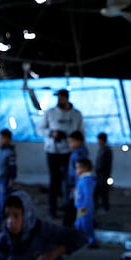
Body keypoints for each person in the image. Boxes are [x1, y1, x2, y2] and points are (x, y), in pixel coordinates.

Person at [37, 89, 84, 219]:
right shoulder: (50, 113)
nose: (60, 100)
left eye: (62, 98)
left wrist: (75, 142)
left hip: (68, 153)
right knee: (54, 181)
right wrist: (52, 134)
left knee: (68, 181)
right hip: (52, 151)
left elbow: (81, 132)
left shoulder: (76, 115)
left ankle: (67, 206)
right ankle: (52, 209)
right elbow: (40, 129)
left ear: (67, 98)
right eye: (58, 98)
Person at [0, 128, 17, 230]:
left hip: (5, 181)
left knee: (4, 203)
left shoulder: (10, 152)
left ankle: (5, 224)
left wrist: (11, 180)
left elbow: (12, 167)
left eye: (2, 138)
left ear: (7, 139)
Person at [64, 130, 89, 228]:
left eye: (71, 142)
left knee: (73, 205)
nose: (69, 144)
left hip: (77, 184)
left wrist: (76, 185)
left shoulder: (79, 154)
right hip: (77, 183)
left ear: (79, 141)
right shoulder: (78, 152)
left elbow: (79, 170)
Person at [74, 157, 97, 248]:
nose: (76, 170)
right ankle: (79, 239)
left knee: (85, 224)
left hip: (84, 207)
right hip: (81, 206)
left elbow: (88, 195)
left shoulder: (87, 180)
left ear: (84, 168)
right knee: (79, 223)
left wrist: (85, 206)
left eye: (77, 168)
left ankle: (91, 241)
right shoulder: (83, 179)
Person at [93, 132, 112, 213]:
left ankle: (105, 207)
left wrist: (97, 170)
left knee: (103, 192)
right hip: (100, 174)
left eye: (99, 140)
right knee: (97, 191)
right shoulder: (102, 149)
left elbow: (103, 164)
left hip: (103, 175)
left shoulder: (106, 150)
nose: (98, 142)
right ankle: (97, 206)